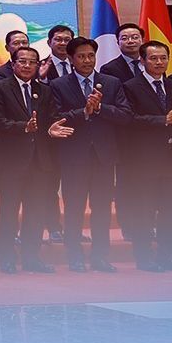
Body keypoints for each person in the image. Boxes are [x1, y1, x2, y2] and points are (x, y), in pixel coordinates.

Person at [47, 37, 123, 272]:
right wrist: (84, 112)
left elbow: (125, 114)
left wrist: (100, 108)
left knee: (102, 209)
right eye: (81, 56)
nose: (87, 60)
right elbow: (55, 117)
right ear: (71, 59)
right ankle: (75, 256)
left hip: (103, 157)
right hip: (73, 157)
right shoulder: (58, 85)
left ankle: (100, 257)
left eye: (91, 55)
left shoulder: (111, 83)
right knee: (74, 208)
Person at [118, 40, 172, 273]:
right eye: (153, 58)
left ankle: (168, 256)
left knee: (169, 210)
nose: (159, 62)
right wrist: (163, 120)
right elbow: (129, 120)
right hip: (144, 159)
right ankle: (144, 257)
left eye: (163, 58)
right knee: (144, 210)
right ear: (142, 61)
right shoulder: (130, 87)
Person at [0, 43, 54, 273]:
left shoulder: (44, 90)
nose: (27, 66)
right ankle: (6, 258)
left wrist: (52, 128)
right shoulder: (0, 88)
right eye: (22, 61)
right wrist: (23, 127)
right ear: (13, 64)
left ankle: (32, 257)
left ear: (38, 65)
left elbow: (50, 118)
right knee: (9, 211)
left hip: (39, 160)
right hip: (10, 161)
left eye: (32, 62)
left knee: (36, 211)